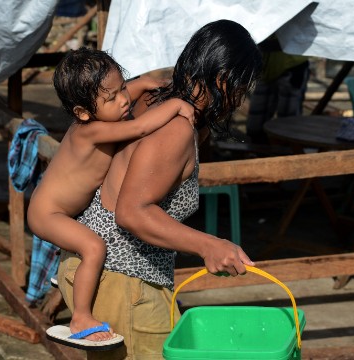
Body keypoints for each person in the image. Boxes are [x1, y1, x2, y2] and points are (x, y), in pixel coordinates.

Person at [56, 19, 262, 358]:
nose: (239, 99)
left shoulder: (154, 100)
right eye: (240, 88)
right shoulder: (176, 130)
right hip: (122, 279)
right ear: (223, 79)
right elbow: (131, 212)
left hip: (101, 270)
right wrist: (209, 245)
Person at [27, 47, 195, 346]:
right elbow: (142, 126)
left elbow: (121, 92)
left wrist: (144, 82)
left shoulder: (101, 109)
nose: (123, 101)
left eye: (122, 89)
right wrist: (176, 106)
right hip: (48, 213)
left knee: (89, 246)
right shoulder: (89, 131)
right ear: (82, 112)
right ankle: (80, 315)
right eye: (112, 98)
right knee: (94, 247)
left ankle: (78, 279)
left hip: (65, 210)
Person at [245, 36, 309, 144]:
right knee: (255, 126)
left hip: (292, 67)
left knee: (288, 125)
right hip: (265, 67)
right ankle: (259, 153)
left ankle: (286, 154)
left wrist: (262, 42)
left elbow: (300, 35)